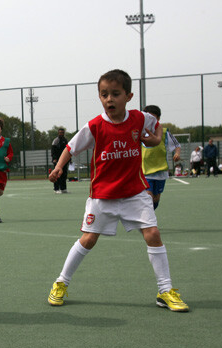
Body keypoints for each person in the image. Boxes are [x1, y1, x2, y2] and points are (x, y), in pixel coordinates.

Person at [46, 69, 188, 313]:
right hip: (103, 196)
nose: (109, 99)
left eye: (115, 94)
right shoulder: (94, 126)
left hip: (135, 193)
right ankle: (61, 282)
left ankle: (165, 290)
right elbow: (70, 147)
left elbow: (157, 126)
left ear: (128, 96)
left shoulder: (140, 118)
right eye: (104, 95)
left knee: (153, 234)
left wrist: (155, 140)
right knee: (88, 240)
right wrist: (59, 168)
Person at [141, 105, 181, 210]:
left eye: (152, 118)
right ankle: (147, 218)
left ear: (158, 119)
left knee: (155, 199)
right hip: (145, 172)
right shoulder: (140, 133)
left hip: (160, 172)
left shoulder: (164, 133)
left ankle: (150, 215)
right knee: (148, 197)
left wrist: (177, 154)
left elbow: (177, 145)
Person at [50, 128, 69, 194]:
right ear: (58, 133)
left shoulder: (65, 140)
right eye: (60, 132)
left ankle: (63, 188)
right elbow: (53, 151)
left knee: (64, 174)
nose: (61, 134)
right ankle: (56, 189)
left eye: (62, 132)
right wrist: (54, 159)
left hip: (64, 160)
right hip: (57, 161)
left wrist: (69, 159)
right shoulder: (55, 141)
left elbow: (68, 150)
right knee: (57, 174)